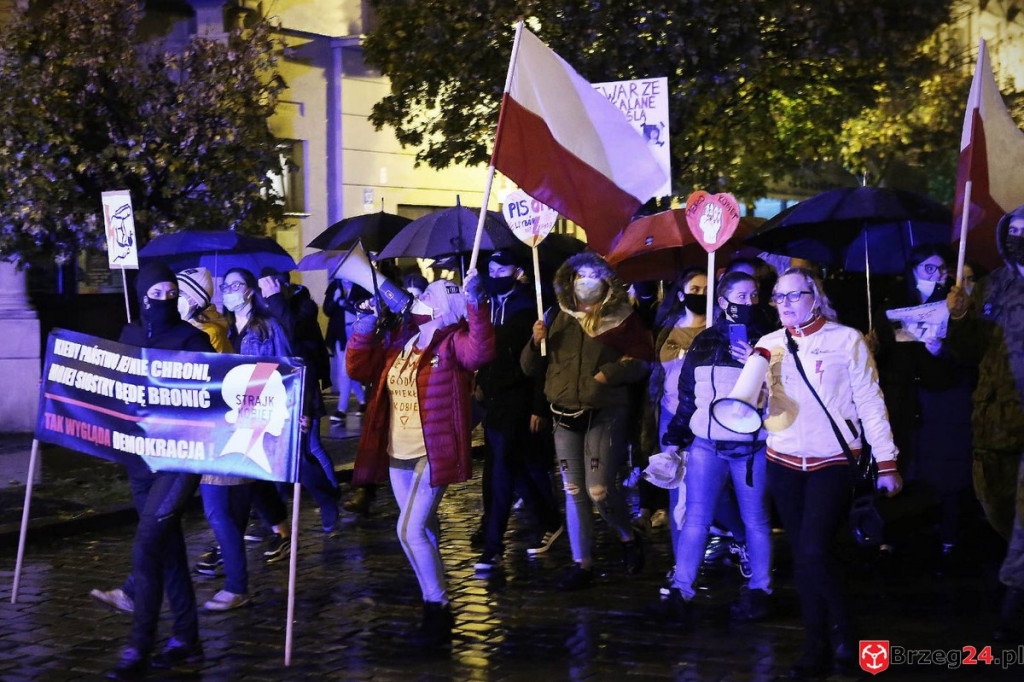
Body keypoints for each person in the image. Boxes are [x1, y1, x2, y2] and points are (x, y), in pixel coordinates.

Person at [750, 266, 901, 678]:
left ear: (815, 297)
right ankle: (815, 643)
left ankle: (847, 634)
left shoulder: (845, 340)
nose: (785, 305)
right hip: (782, 462)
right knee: (803, 555)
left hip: (832, 462)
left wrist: (886, 461)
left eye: (794, 296)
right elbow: (754, 405)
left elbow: (870, 401)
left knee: (815, 549)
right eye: (778, 297)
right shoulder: (767, 345)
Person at [347, 274, 495, 646]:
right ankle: (435, 604)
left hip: (433, 450)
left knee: (408, 530)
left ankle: (438, 608)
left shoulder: (453, 343)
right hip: (398, 452)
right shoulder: (406, 342)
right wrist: (366, 321)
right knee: (424, 531)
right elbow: (358, 368)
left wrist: (476, 303)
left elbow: (481, 352)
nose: (419, 297)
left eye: (428, 294)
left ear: (444, 307)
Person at [106, 262, 216, 680]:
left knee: (147, 544)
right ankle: (187, 642)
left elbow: (218, 396)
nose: (167, 300)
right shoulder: (130, 336)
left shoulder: (194, 339)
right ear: (142, 295)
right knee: (168, 553)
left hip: (180, 460)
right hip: (140, 460)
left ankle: (138, 646)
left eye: (174, 293)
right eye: (159, 293)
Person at [521, 251, 654, 590]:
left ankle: (627, 536)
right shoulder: (557, 316)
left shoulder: (622, 317)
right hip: (564, 415)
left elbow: (642, 360)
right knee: (574, 490)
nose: (585, 283)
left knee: (599, 490)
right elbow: (530, 367)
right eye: (579, 277)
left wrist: (608, 374)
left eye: (592, 276)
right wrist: (536, 342)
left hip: (604, 412)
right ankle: (582, 563)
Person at [662, 271, 775, 622]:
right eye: (740, 296)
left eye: (754, 296)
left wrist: (755, 365)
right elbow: (687, 395)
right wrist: (675, 438)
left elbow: (780, 395)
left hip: (751, 447)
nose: (748, 303)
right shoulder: (704, 341)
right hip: (706, 444)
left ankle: (761, 589)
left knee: (755, 519)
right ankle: (681, 590)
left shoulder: (770, 341)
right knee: (695, 517)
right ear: (723, 301)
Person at [946, 205, 1024, 640]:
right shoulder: (991, 286)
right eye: (1013, 229)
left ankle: (1011, 610)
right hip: (995, 423)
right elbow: (967, 351)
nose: (1019, 235)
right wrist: (958, 316)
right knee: (997, 507)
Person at [875, 244, 975, 561]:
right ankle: (892, 533)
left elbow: (966, 354)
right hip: (901, 394)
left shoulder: (953, 302)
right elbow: (884, 345)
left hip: (938, 396)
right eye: (927, 268)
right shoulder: (894, 298)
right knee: (900, 461)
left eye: (939, 269)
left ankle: (945, 532)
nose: (934, 275)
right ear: (914, 269)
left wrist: (941, 351)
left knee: (940, 465)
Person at [473, 250, 562, 571]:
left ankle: (493, 545)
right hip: (495, 399)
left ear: (518, 271)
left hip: (520, 400)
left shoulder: (530, 307)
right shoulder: (489, 305)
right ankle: (551, 521)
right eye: (492, 269)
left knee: (500, 473)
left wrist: (539, 405)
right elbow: (486, 350)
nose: (496, 275)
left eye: (503, 269)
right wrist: (480, 380)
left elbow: (541, 361)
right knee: (523, 470)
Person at [222, 268, 295, 565]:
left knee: (246, 474)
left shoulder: (267, 327)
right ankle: (281, 533)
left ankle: (229, 543)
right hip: (229, 411)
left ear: (250, 290)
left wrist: (296, 409)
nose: (229, 290)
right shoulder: (223, 328)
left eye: (236, 284)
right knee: (251, 477)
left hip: (258, 409)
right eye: (225, 285)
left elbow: (289, 366)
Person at [259, 268, 340, 532]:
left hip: (299, 386)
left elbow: (292, 330)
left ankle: (329, 495)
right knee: (273, 454)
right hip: (266, 386)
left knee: (307, 450)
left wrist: (274, 299)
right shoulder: (259, 308)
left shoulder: (303, 305)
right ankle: (275, 513)